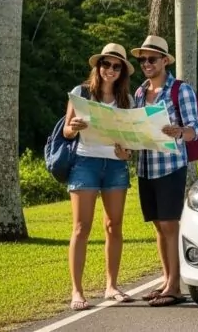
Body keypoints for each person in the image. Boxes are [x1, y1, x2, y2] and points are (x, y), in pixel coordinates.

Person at [62, 43, 136, 311]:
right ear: (98, 66)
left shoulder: (126, 100)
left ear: (122, 72)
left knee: (114, 226)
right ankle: (77, 291)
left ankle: (111, 286)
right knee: (81, 227)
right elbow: (67, 132)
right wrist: (74, 127)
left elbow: (131, 142)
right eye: (106, 64)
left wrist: (125, 152)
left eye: (117, 66)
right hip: (85, 162)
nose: (110, 70)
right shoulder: (80, 93)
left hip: (116, 165)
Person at [131, 35, 198, 307]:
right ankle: (165, 281)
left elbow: (195, 130)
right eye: (142, 60)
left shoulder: (180, 90)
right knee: (159, 227)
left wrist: (179, 131)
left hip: (170, 165)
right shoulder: (139, 93)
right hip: (146, 167)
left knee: (170, 225)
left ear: (164, 61)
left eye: (152, 59)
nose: (146, 64)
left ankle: (175, 287)